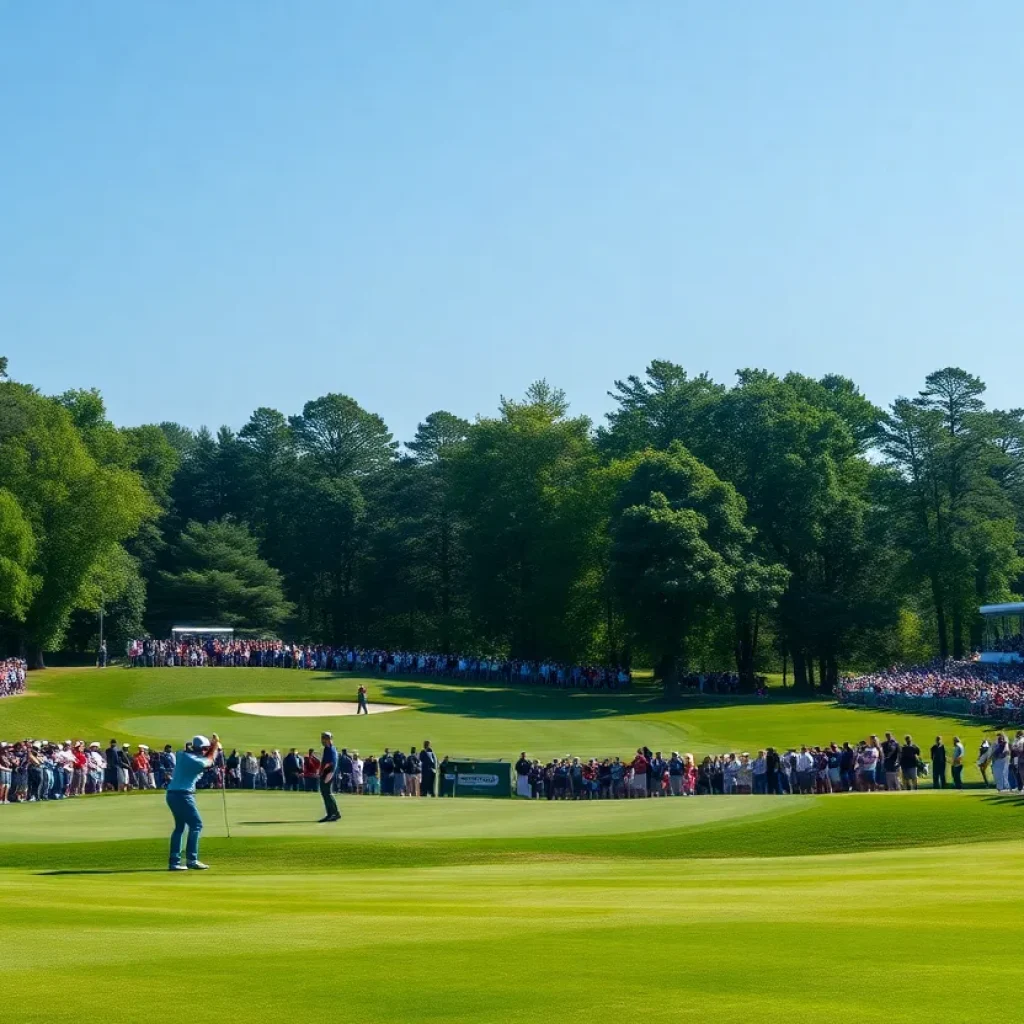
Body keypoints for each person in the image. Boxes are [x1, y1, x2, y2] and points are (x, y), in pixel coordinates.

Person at [166, 733, 221, 871]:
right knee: (196, 825)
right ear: (201, 748)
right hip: (183, 795)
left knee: (179, 827)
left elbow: (204, 755)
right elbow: (209, 761)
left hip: (172, 794)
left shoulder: (182, 755)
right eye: (205, 748)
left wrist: (212, 746)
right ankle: (192, 859)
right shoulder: (196, 762)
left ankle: (174, 862)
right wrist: (215, 746)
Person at [318, 731, 341, 822]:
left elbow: (333, 764)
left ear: (328, 739)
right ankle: (331, 813)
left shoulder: (331, 750)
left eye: (324, 738)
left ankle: (334, 813)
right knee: (325, 794)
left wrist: (329, 775)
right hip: (324, 774)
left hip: (328, 774)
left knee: (327, 794)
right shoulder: (326, 749)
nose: (322, 740)